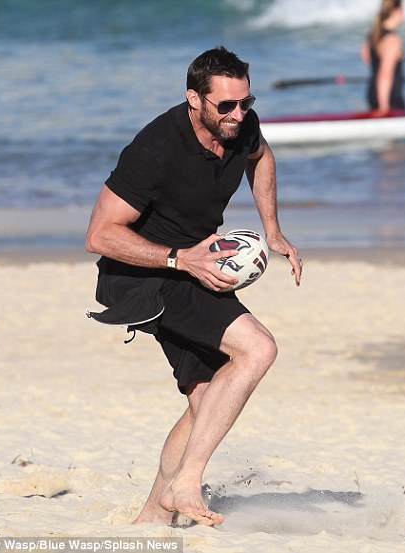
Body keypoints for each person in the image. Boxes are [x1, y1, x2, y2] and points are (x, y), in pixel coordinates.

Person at [85, 46, 302, 527]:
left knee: (208, 397)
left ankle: (152, 519)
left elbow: (262, 156)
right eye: (226, 105)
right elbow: (99, 235)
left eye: (245, 102)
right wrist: (180, 259)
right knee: (258, 348)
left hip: (193, 266)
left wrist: (273, 230)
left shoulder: (240, 126)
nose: (238, 114)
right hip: (144, 276)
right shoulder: (155, 149)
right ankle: (186, 482)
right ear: (194, 99)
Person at [361, 0, 405, 113]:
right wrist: (384, 107)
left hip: (373, 93)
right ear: (396, 11)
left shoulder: (373, 34)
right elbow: (385, 74)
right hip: (389, 98)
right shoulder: (392, 40)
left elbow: (365, 56)